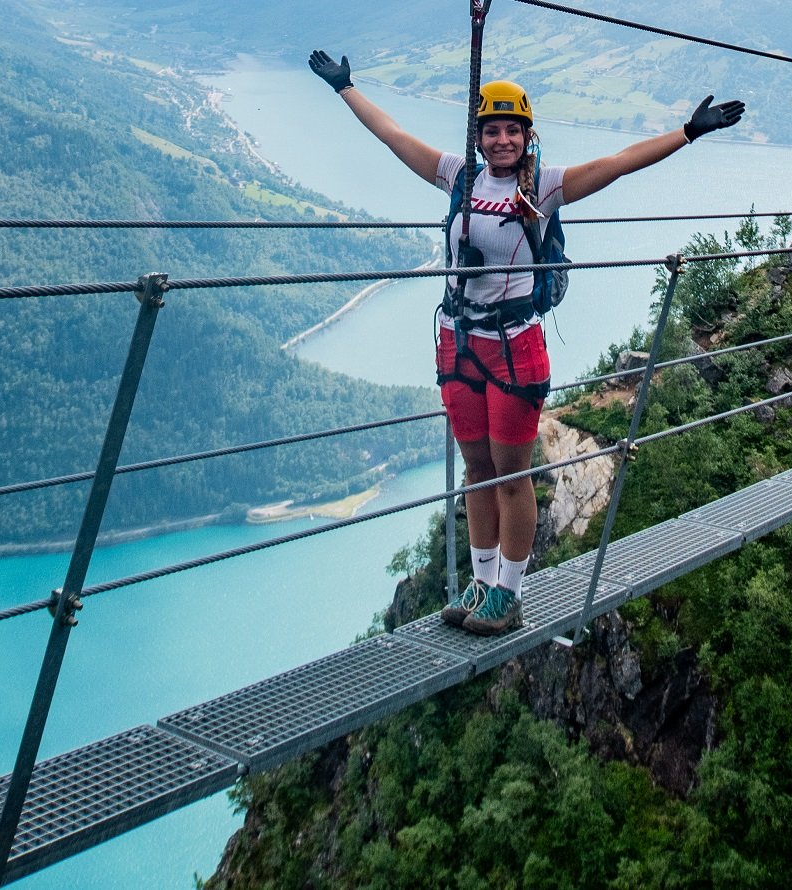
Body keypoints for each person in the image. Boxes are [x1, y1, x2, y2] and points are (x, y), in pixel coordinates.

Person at [308, 48, 745, 636]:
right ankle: (483, 582)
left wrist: (689, 132)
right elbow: (394, 136)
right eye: (493, 130)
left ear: (526, 134)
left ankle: (509, 595)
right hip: (459, 343)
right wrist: (346, 89)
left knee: (511, 476)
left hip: (514, 348)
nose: (503, 140)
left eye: (513, 130)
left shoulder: (546, 189)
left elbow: (619, 163)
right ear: (480, 136)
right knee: (476, 472)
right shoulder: (459, 177)